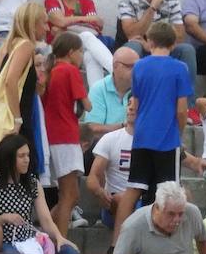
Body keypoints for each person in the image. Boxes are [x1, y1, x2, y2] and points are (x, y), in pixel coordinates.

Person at [125, 21, 194, 209]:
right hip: (167, 139)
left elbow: (136, 103)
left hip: (142, 136)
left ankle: (119, 237)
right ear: (173, 44)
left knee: (134, 188)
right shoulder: (180, 68)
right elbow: (181, 110)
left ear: (149, 41)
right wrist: (178, 133)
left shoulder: (139, 66)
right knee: (168, 191)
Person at [0, 1, 50, 184]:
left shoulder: (6, 46)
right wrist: (17, 119)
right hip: (18, 122)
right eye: (44, 22)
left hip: (3, 122)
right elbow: (10, 82)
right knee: (25, 180)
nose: (47, 27)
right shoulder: (26, 46)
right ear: (33, 23)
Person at [44, 32, 92, 237]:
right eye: (81, 51)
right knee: (69, 195)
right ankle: (60, 245)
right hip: (66, 135)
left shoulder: (50, 71)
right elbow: (87, 104)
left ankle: (45, 235)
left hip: (51, 135)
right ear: (71, 52)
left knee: (70, 195)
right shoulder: (70, 70)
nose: (82, 56)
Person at [116, 0, 198, 77]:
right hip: (140, 50)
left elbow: (179, 37)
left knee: (186, 50)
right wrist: (153, 7)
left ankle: (187, 92)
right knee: (133, 47)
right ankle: (131, 92)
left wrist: (152, 46)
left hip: (164, 49)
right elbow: (132, 34)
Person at [45, 0, 114, 90]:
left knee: (90, 56)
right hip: (63, 50)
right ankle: (115, 70)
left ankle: (95, 99)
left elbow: (96, 26)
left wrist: (67, 26)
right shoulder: (52, 1)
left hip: (84, 49)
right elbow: (60, 21)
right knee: (86, 35)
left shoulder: (87, 2)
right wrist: (85, 20)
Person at [88, 105, 135, 234]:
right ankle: (118, 250)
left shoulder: (154, 138)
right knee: (122, 198)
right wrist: (99, 191)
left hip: (146, 202)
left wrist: (196, 163)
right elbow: (93, 177)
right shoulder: (110, 139)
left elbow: (187, 159)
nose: (131, 108)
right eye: (129, 104)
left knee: (183, 195)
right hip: (115, 203)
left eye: (136, 104)